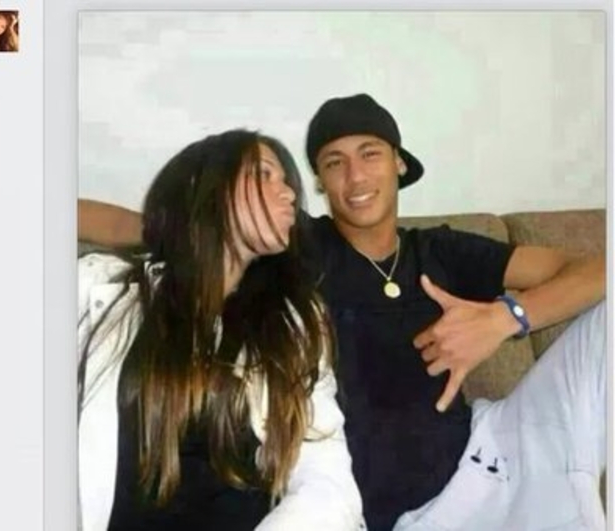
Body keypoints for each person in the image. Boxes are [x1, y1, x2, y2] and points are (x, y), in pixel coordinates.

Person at [78, 96, 606, 530]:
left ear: (399, 163)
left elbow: (595, 269)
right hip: (405, 514)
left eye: (370, 153)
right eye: (334, 162)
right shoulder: (292, 247)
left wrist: (505, 318)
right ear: (319, 183)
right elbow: (173, 227)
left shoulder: (445, 250)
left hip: (491, 452)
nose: (355, 176)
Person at [78, 129, 363, 531]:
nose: (289, 194)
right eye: (264, 174)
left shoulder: (295, 323)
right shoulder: (102, 288)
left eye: (287, 183)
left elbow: (326, 479)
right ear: (205, 187)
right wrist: (161, 228)